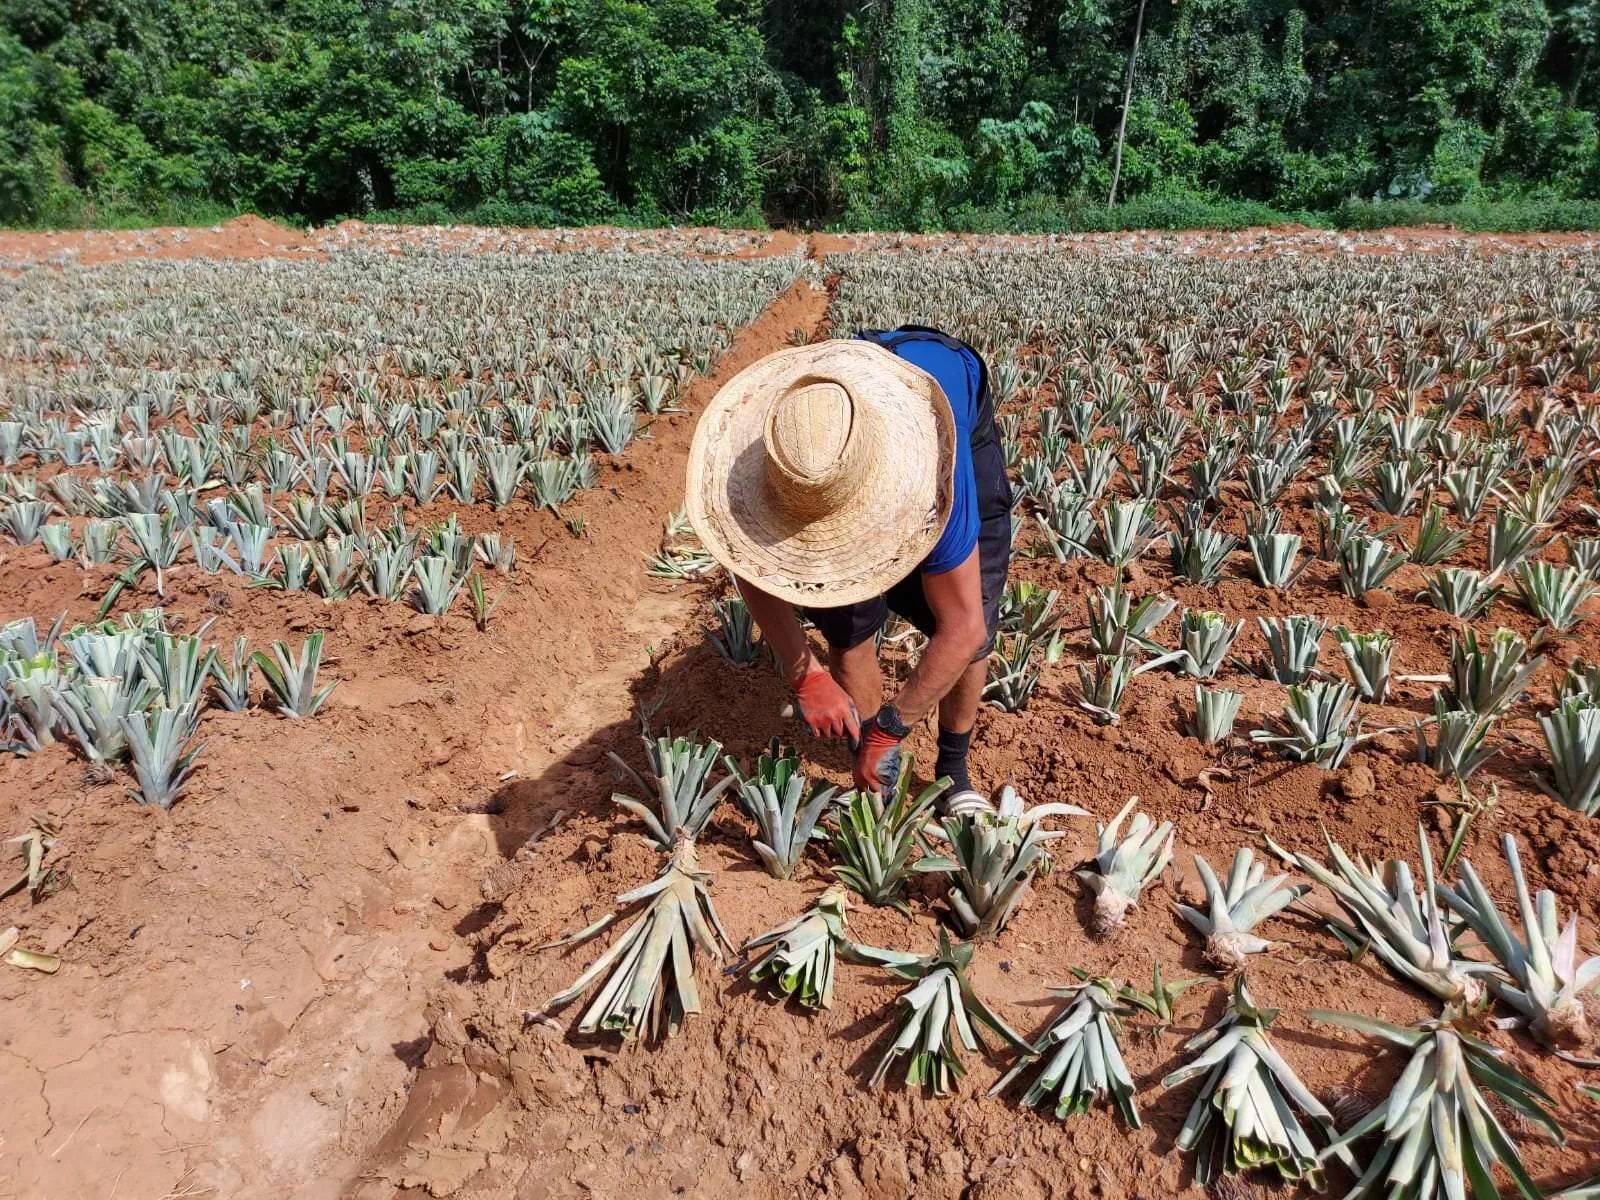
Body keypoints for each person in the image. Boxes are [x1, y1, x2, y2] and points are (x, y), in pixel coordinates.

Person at [685, 327, 1012, 812]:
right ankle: (875, 784)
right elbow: (751, 565)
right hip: (832, 442)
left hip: (950, 409)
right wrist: (807, 676)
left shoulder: (938, 478)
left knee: (971, 612)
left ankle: (952, 772)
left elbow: (964, 629)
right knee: (848, 624)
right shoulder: (790, 441)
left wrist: (891, 727)